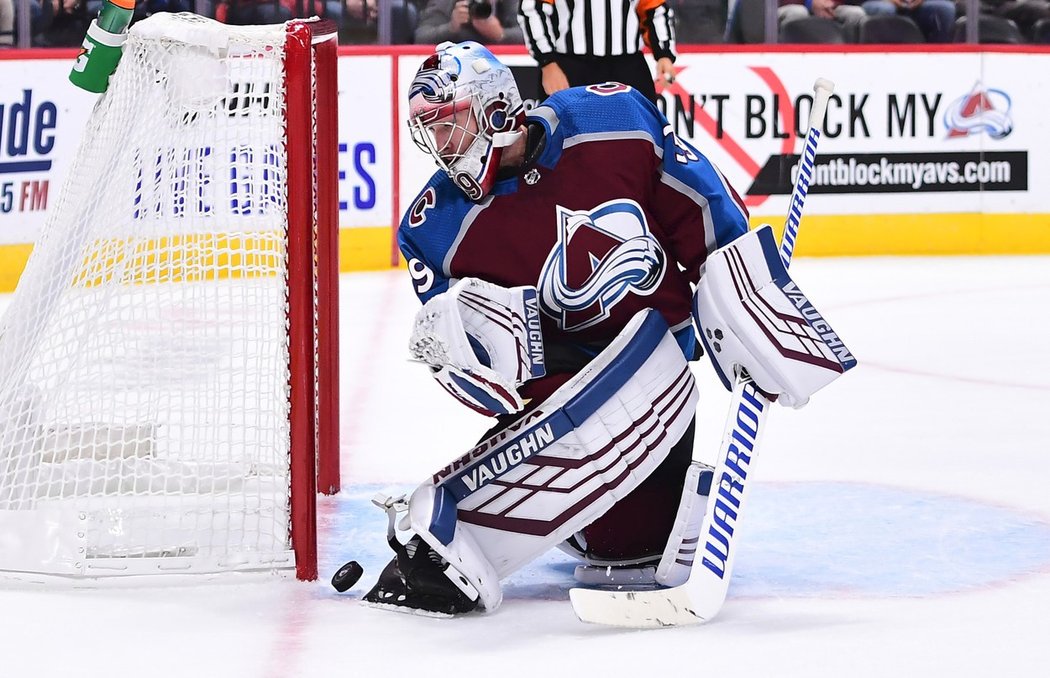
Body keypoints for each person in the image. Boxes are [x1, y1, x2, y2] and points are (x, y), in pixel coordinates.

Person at [352, 41, 854, 617]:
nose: (438, 148)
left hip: (658, 368)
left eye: (449, 126)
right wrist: (469, 349)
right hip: (560, 396)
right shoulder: (433, 228)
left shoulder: (611, 120)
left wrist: (748, 300)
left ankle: (531, 516)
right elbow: (476, 369)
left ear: (495, 110)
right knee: (622, 540)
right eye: (428, 131)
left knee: (641, 542)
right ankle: (473, 527)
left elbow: (703, 209)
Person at [518, 0, 676, 104]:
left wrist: (664, 54)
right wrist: (548, 62)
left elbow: (654, 8)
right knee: (566, 144)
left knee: (639, 139)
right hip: (570, 68)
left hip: (628, 67)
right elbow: (533, 8)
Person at [414, 0, 523, 46]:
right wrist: (451, 28)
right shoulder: (446, 3)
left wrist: (501, 34)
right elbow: (421, 37)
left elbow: (531, 34)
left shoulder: (509, 3)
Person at [862, 0, 956, 42]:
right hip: (879, 2)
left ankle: (938, 57)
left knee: (945, 9)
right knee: (886, 10)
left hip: (918, 5)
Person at [779, 0, 867, 41]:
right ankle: (792, 56)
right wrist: (810, 2)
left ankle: (848, 56)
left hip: (831, 5)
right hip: (784, 6)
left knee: (856, 13)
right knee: (797, 12)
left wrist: (832, 2)